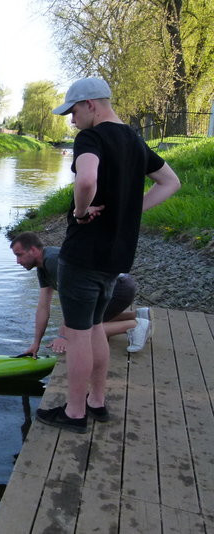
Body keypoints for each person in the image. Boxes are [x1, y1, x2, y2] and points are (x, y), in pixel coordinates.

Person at [34, 77, 180, 433]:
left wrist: (81, 213)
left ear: (91, 106)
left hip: (84, 254)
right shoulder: (134, 139)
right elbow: (170, 182)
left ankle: (73, 412)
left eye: (73, 111)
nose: (71, 120)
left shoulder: (91, 137)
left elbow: (86, 181)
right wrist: (132, 212)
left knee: (78, 334)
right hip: (117, 256)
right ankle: (96, 403)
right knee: (96, 326)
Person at [10, 232, 151, 356]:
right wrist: (36, 343)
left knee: (78, 334)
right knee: (83, 324)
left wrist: (64, 336)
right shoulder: (43, 268)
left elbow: (74, 301)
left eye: (19, 255)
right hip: (115, 287)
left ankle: (134, 325)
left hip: (118, 288)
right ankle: (138, 315)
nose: (17, 261)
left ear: (33, 250)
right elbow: (43, 308)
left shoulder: (53, 260)